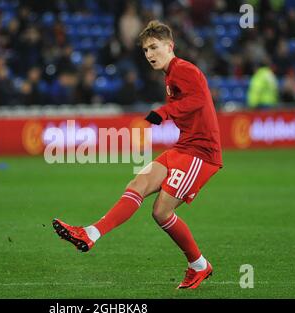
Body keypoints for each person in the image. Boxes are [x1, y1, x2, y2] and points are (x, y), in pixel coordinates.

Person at [53, 20, 223, 290]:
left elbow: (199, 99)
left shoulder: (183, 69)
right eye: (145, 50)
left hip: (202, 153)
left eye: (154, 48)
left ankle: (200, 265)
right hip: (183, 147)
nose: (150, 55)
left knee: (161, 212)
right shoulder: (170, 75)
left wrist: (164, 112)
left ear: (170, 46)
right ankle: (90, 233)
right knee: (137, 184)